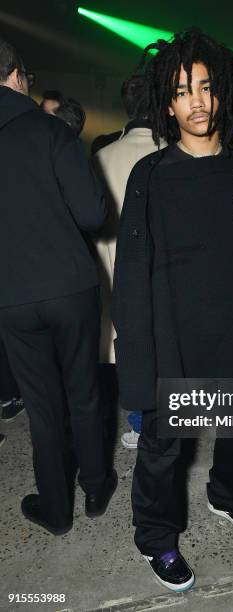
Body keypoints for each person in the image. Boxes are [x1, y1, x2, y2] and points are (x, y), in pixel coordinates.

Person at [112, 28, 233, 592]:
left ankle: (228, 496)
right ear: (167, 104)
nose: (195, 99)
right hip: (175, 339)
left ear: (223, 96)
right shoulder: (151, 175)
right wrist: (140, 359)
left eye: (205, 87)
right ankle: (157, 537)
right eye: (181, 90)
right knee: (164, 451)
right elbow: (131, 274)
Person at [0, 38, 117, 535]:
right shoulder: (51, 131)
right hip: (70, 285)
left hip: (9, 294)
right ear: (18, 75)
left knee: (41, 405)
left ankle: (57, 509)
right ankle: (95, 487)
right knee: (84, 391)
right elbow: (93, 214)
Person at [93, 73, 165, 449]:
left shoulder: (101, 158)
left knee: (130, 353)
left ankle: (139, 425)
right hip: (166, 277)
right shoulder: (176, 154)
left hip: (117, 277)